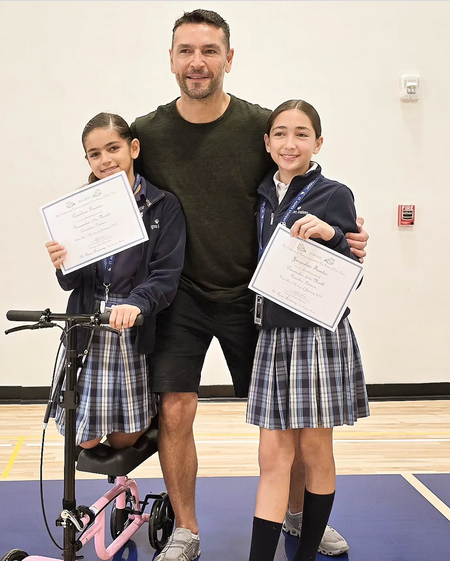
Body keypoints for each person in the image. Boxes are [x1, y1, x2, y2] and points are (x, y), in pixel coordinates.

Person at [131, 10, 369, 560]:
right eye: (186, 50)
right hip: (182, 294)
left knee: (290, 420)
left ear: (229, 59)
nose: (197, 62)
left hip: (257, 298)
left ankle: (297, 517)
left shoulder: (261, 127)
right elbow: (109, 182)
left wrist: (346, 237)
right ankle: (187, 531)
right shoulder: (147, 133)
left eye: (210, 51)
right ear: (170, 59)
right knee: (175, 409)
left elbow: (309, 181)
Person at [246, 99, 369, 561]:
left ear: (318, 142)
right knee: (272, 457)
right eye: (280, 133)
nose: (289, 142)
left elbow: (353, 274)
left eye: (301, 134)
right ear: (267, 142)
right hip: (273, 336)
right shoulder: (260, 194)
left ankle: (305, 555)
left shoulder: (334, 194)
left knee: (315, 449)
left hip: (318, 336)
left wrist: (335, 237)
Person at [45, 112, 186, 449]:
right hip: (88, 326)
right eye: (95, 154)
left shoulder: (162, 207)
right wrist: (62, 262)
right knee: (85, 441)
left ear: (133, 148)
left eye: (113, 148)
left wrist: (136, 303)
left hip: (131, 328)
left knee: (126, 439)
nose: (105, 160)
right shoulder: (78, 209)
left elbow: (166, 275)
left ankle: (126, 477)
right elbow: (71, 283)